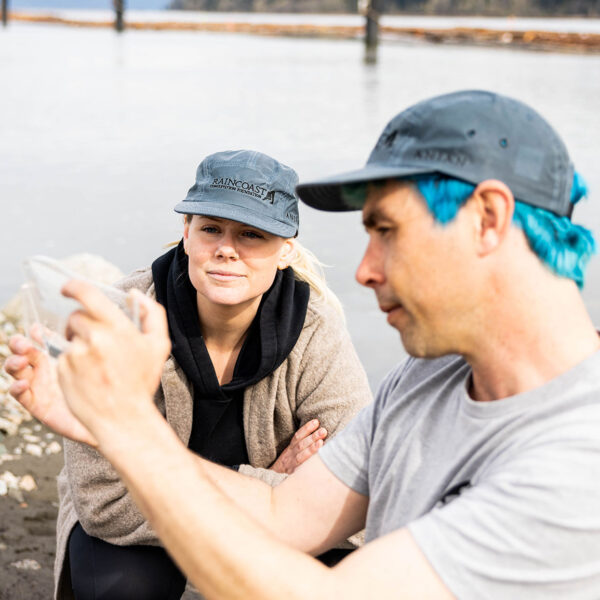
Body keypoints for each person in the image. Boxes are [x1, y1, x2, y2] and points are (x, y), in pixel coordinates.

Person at [7, 90, 600, 599]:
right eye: (210, 228)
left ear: (488, 218)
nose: (364, 271)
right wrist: (116, 429)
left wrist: (130, 429)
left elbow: (323, 594)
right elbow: (281, 515)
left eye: (386, 230)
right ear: (184, 231)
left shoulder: (578, 458)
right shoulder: (420, 382)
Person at [7, 149, 371, 600]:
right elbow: (104, 505)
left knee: (352, 575)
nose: (226, 248)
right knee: (125, 589)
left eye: (252, 234)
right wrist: (273, 484)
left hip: (173, 513)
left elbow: (357, 507)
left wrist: (291, 507)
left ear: (285, 251)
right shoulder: (127, 314)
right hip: (143, 539)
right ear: (186, 232)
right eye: (211, 228)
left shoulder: (316, 330)